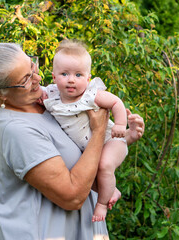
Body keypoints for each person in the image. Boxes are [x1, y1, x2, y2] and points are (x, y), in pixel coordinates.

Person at [0, 43, 144, 239]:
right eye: (25, 79)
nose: (38, 79)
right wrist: (99, 130)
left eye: (33, 67)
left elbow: (83, 147)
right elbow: (72, 196)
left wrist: (123, 136)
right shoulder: (17, 129)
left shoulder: (49, 100)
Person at [40, 39, 128, 222]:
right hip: (90, 148)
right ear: (54, 77)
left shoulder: (90, 95)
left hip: (111, 142)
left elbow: (115, 102)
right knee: (90, 172)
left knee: (104, 166)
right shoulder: (53, 94)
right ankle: (112, 190)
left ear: (88, 79)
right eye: (64, 74)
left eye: (78, 75)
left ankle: (102, 204)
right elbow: (38, 92)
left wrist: (120, 124)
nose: (71, 79)